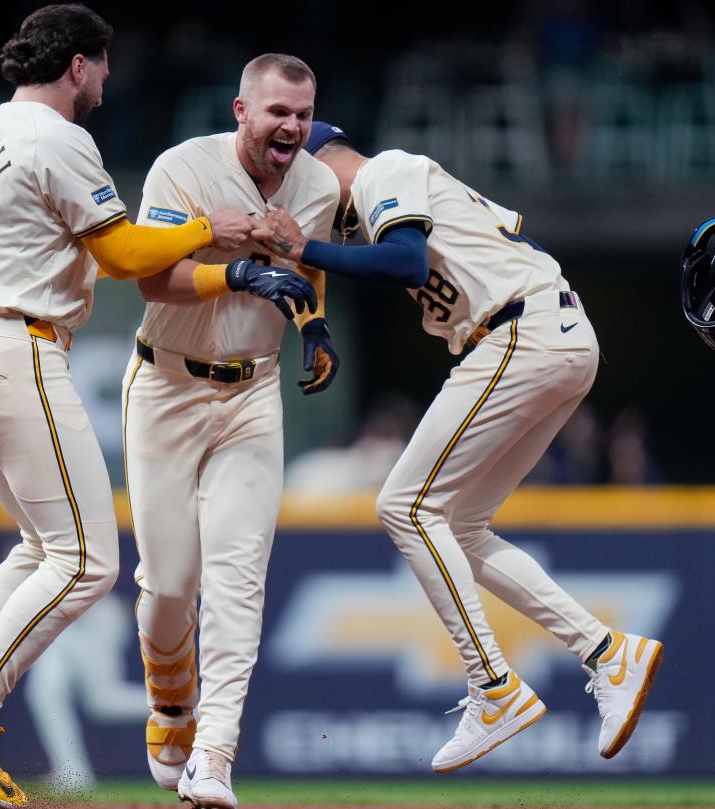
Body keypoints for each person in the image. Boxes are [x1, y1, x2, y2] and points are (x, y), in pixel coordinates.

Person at [0, 9, 313, 808]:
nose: (109, 78)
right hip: (19, 348)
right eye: (104, 64)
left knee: (39, 546)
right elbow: (123, 257)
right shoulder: (60, 138)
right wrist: (207, 230)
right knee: (88, 561)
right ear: (80, 66)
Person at [252, 122, 664, 773]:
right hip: (549, 335)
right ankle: (608, 651)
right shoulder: (383, 195)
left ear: (318, 164)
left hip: (519, 331)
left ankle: (493, 686)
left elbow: (406, 262)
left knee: (405, 506)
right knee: (462, 527)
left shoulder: (384, 171)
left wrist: (305, 245)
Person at [123, 55, 339, 809]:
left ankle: (213, 756)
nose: (292, 126)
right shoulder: (184, 167)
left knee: (238, 581)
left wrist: (314, 329)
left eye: (304, 114)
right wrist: (237, 269)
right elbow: (152, 278)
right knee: (170, 585)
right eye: (278, 110)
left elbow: (306, 275)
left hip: (253, 392)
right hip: (167, 383)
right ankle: (170, 700)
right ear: (241, 108)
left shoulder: (318, 185)